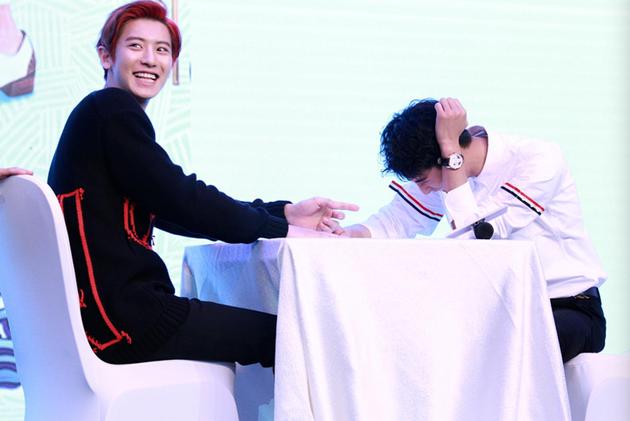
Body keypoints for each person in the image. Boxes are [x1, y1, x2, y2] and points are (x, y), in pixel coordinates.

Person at [47, 1, 357, 367]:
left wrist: (283, 213)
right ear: (105, 56)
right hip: (131, 322)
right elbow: (183, 199)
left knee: (282, 334)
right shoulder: (112, 110)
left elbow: (173, 208)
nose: (150, 59)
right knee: (297, 337)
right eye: (135, 46)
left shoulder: (99, 117)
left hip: (108, 325)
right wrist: (283, 229)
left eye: (162, 50)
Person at [340, 97, 606, 363]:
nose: (423, 190)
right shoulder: (444, 172)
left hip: (571, 307)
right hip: (503, 314)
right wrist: (343, 234)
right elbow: (395, 221)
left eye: (422, 180)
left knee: (505, 354)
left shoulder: (538, 159)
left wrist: (450, 153)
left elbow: (475, 242)